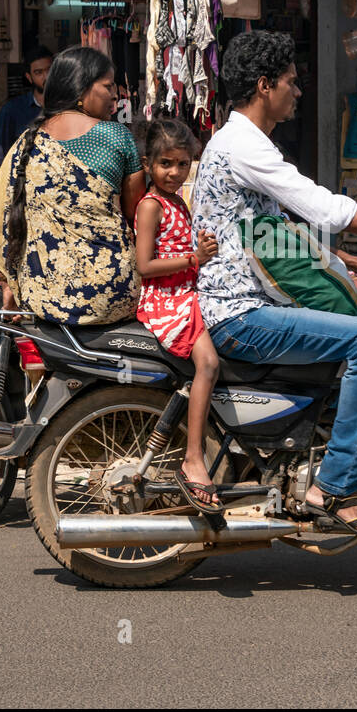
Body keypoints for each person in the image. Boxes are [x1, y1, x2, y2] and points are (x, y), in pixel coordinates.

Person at [192, 30, 357, 542]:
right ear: (264, 85)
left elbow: (274, 234)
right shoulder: (244, 146)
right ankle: (335, 489)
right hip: (242, 314)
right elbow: (326, 209)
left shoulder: (240, 142)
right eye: (292, 83)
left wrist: (354, 262)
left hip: (249, 303)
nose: (298, 92)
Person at [0, 46, 145, 324]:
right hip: (113, 295)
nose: (115, 95)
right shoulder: (116, 136)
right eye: (107, 86)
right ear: (81, 90)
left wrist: (8, 281)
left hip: (42, 297)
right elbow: (136, 214)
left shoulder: (27, 141)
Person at [133, 119, 222, 512]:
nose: (174, 172)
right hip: (167, 300)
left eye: (183, 164)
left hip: (187, 292)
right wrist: (193, 258)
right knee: (209, 365)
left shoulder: (178, 202)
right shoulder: (151, 205)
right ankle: (193, 457)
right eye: (166, 163)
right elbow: (145, 265)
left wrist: (200, 246)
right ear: (149, 163)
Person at [0, 44, 54, 188]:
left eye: (50, 70)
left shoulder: (68, 107)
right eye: (38, 72)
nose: (46, 76)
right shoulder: (13, 111)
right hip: (25, 192)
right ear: (29, 77)